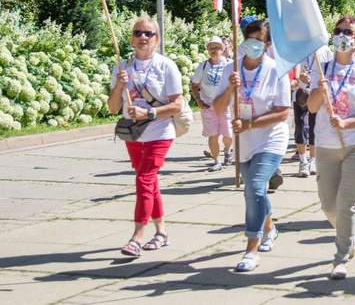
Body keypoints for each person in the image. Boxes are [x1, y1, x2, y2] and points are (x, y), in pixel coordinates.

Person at [213, 19, 291, 272]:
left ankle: (251, 250)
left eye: (259, 41)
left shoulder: (276, 69)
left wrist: (249, 124)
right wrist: (230, 89)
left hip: (270, 138)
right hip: (243, 143)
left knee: (256, 187)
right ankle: (270, 228)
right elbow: (218, 107)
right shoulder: (231, 69)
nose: (253, 45)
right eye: (249, 39)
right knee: (255, 191)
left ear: (267, 44)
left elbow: (281, 113)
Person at [307, 15, 355, 280]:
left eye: (348, 32)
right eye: (338, 31)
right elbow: (312, 107)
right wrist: (318, 89)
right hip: (326, 145)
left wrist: (348, 122)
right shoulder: (323, 67)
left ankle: (340, 258)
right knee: (329, 205)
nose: (342, 36)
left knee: (346, 203)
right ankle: (348, 237)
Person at [108, 17, 184, 258]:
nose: (143, 37)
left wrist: (149, 112)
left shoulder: (166, 66)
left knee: (144, 179)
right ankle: (161, 232)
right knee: (150, 183)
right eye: (138, 33)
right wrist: (119, 87)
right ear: (132, 38)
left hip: (159, 131)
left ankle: (137, 236)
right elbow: (111, 108)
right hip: (133, 133)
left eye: (149, 34)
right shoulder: (122, 67)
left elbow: (178, 105)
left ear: (157, 39)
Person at [191, 36, 233, 172]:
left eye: (216, 47)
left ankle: (227, 150)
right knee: (212, 135)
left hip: (225, 105)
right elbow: (194, 85)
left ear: (222, 49)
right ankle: (217, 161)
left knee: (228, 134)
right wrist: (199, 100)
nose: (213, 50)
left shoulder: (229, 64)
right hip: (208, 105)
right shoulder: (203, 66)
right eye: (211, 48)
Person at [293, 45, 333, 178]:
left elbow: (330, 70)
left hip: (316, 94)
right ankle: (303, 161)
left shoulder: (325, 50)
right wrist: (299, 76)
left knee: (314, 128)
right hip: (300, 94)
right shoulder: (298, 49)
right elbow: (291, 70)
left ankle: (313, 160)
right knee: (300, 126)